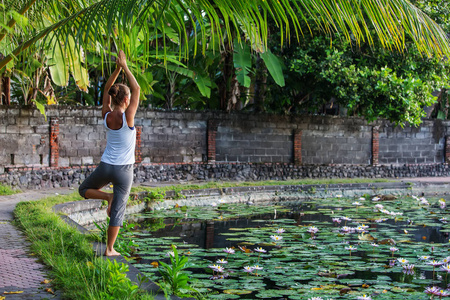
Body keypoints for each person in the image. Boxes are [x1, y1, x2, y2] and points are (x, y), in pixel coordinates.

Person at [79, 50, 140, 256]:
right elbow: (137, 87)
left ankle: (107, 197)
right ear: (125, 101)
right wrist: (125, 66)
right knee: (118, 210)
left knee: (84, 189)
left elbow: (106, 89)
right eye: (129, 98)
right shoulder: (128, 117)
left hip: (106, 166)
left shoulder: (106, 115)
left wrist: (117, 69)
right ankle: (110, 249)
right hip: (124, 171)